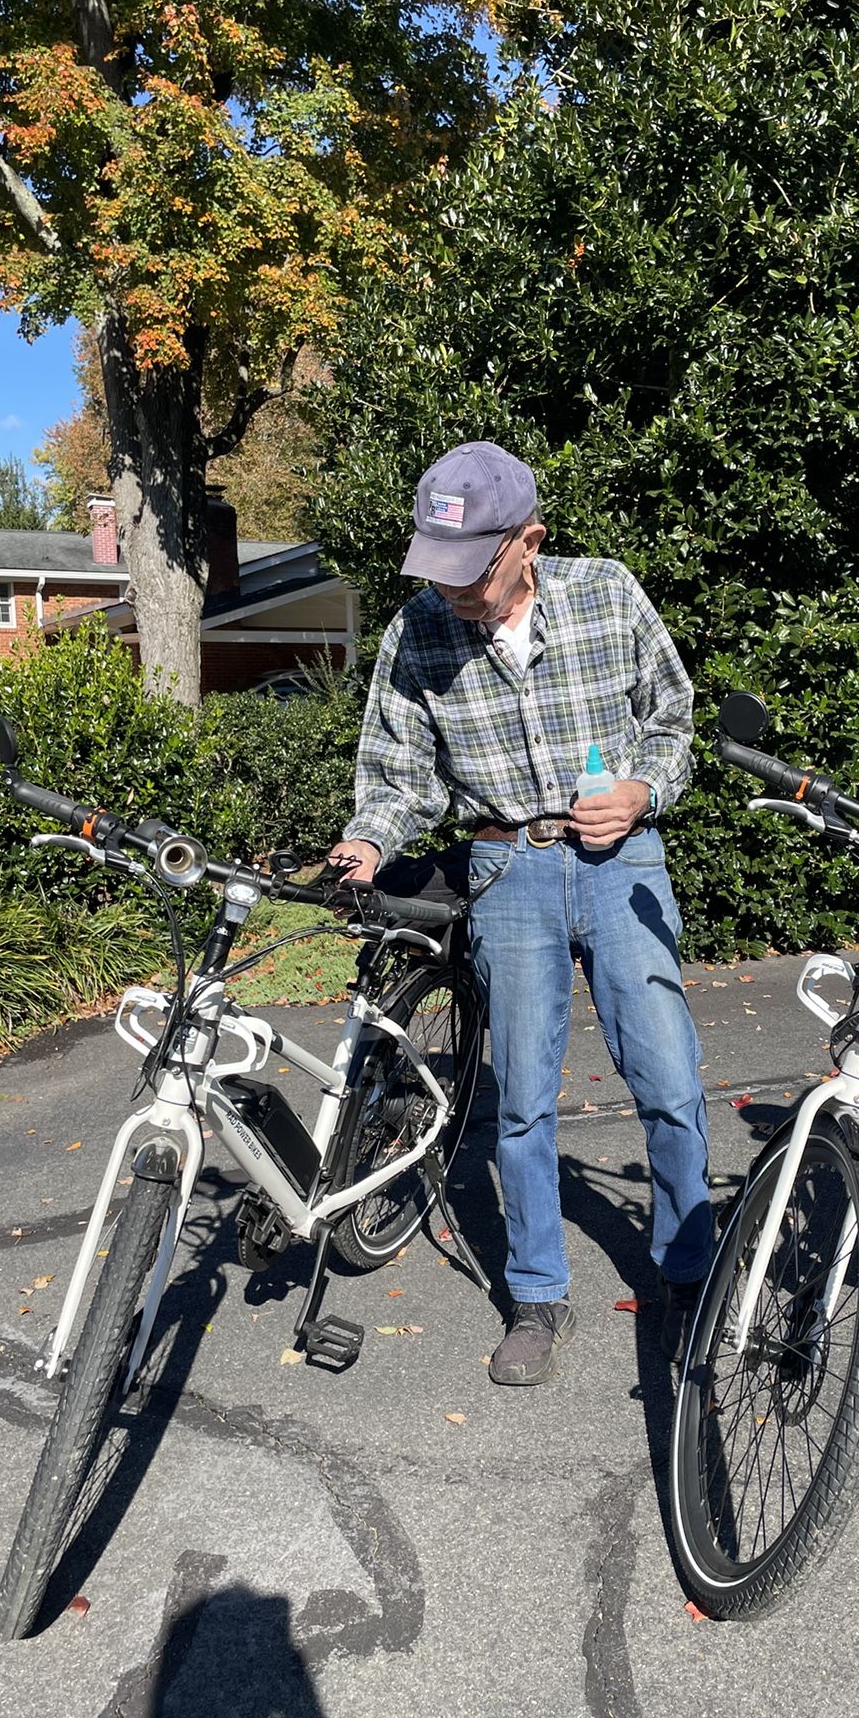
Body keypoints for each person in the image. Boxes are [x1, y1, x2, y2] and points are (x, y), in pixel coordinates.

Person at [330, 441, 710, 1385]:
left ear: (528, 541)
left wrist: (641, 791)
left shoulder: (609, 595)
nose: (453, 592)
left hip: (623, 862)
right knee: (523, 1104)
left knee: (668, 1078)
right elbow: (398, 776)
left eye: (473, 572)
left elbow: (674, 721)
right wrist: (369, 842)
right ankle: (537, 1295)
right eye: (440, 570)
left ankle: (692, 1274)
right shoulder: (415, 633)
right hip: (506, 871)